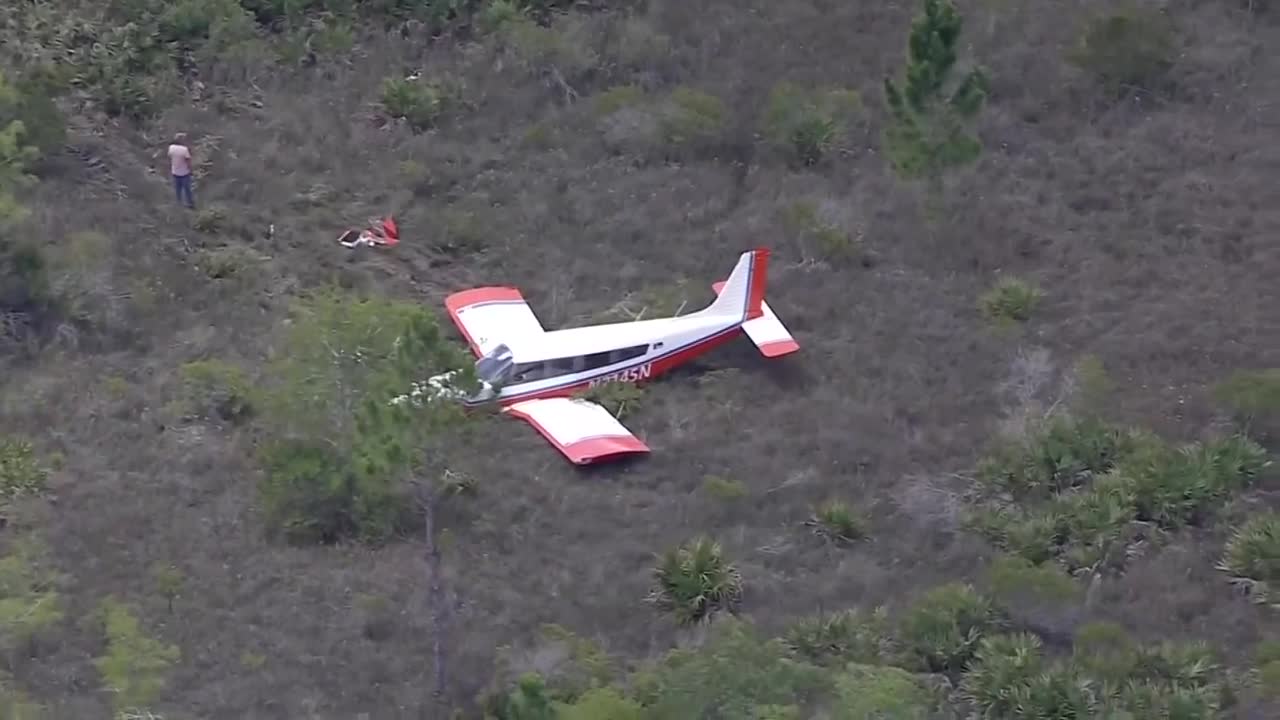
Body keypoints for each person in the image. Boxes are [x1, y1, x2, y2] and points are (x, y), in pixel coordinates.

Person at [168, 133, 195, 209]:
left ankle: (178, 204)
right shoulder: (184, 150)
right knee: (187, 189)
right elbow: (188, 161)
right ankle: (190, 204)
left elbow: (169, 157)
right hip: (184, 173)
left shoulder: (171, 148)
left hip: (175, 172)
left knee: (177, 189)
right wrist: (191, 170)